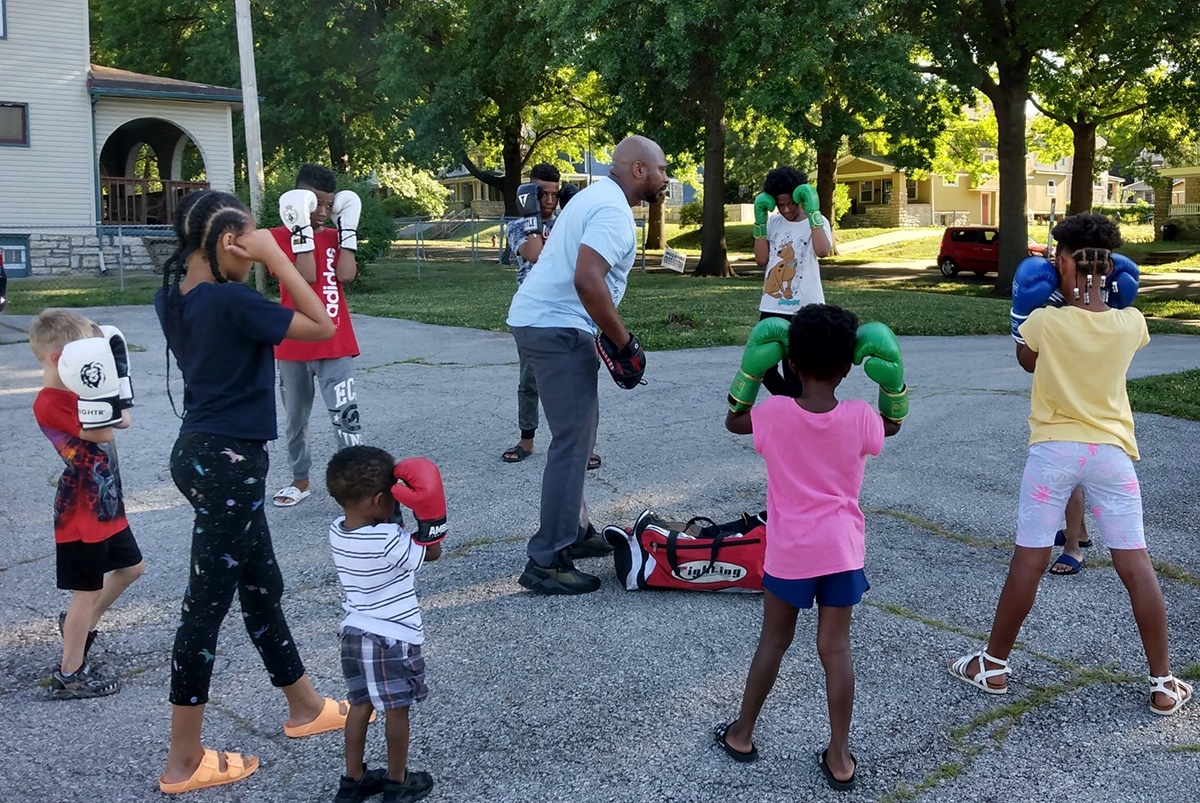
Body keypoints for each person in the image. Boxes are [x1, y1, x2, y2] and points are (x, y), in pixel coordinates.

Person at [155, 190, 356, 794]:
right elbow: (322, 322)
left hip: (200, 455)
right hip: (229, 464)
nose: (255, 250)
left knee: (260, 584)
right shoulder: (234, 300)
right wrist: (278, 257)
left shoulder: (173, 295)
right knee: (204, 608)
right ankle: (183, 761)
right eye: (248, 240)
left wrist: (261, 257)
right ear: (227, 244)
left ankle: (304, 706)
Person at [950, 213, 1191, 716]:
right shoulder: (1133, 323)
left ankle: (993, 666)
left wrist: (1041, 304)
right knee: (1135, 563)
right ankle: (1164, 683)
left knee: (1029, 559)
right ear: (1112, 266)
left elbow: (1027, 360)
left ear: (1062, 261)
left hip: (1054, 451)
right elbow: (1112, 321)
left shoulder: (1047, 321)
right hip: (1111, 453)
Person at [717, 304, 904, 792]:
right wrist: (893, 384)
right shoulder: (862, 417)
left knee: (774, 641)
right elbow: (893, 426)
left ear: (791, 361)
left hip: (791, 551)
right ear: (849, 366)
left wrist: (750, 375)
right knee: (835, 649)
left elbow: (734, 422)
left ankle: (742, 734)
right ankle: (840, 757)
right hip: (841, 551)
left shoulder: (773, 413)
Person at [506, 135, 668, 595]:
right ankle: (547, 559)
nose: (665, 178)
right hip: (556, 327)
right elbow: (587, 279)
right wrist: (625, 343)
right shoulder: (614, 211)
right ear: (638, 170)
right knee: (573, 441)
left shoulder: (598, 196)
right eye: (661, 169)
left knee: (579, 433)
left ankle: (574, 532)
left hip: (547, 322)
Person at [31, 309, 145, 699]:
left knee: (132, 568)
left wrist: (116, 379)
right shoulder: (50, 402)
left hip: (106, 504)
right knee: (86, 589)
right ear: (61, 361)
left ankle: (79, 626)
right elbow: (105, 433)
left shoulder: (71, 393)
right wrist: (104, 390)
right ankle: (70, 672)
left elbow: (121, 421)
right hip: (81, 512)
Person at [325, 446, 445, 803]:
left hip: (353, 633)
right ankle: (397, 781)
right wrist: (430, 515)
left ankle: (354, 779)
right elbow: (432, 553)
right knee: (397, 709)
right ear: (380, 499)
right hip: (392, 637)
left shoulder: (337, 531)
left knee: (360, 705)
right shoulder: (388, 539)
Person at [270, 163, 364, 508]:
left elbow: (347, 274)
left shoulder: (335, 235)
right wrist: (300, 231)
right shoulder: (277, 237)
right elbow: (306, 275)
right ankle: (300, 480)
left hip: (336, 343)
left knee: (346, 415)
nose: (322, 212)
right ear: (297, 203)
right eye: (315, 205)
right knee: (296, 418)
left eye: (329, 205)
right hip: (293, 343)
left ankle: (356, 481)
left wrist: (348, 233)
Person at [501, 163, 599, 471]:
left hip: (570, 309)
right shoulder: (517, 226)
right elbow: (537, 255)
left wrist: (576, 206)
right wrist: (532, 217)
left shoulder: (567, 223)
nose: (549, 200)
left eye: (555, 194)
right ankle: (527, 440)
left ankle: (584, 446)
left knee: (580, 382)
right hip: (534, 314)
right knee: (529, 381)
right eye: (541, 193)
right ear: (530, 193)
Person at [752, 167, 833, 398]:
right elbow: (761, 260)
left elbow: (823, 250)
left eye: (791, 203)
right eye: (780, 204)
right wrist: (760, 225)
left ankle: (796, 413)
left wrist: (814, 213)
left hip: (805, 308)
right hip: (771, 306)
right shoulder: (774, 223)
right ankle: (792, 406)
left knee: (795, 368)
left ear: (800, 197)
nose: (786, 209)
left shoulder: (816, 221)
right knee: (762, 365)